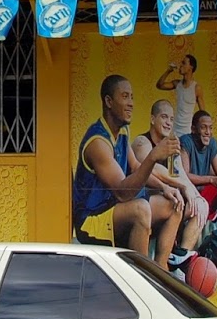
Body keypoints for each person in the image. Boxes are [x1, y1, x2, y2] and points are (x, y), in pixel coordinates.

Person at [72, 75, 182, 262]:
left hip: (114, 209)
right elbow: (123, 192)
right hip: (92, 221)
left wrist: (165, 188)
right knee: (141, 209)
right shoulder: (98, 142)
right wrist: (154, 156)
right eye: (125, 97)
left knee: (173, 204)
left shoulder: (122, 131)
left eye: (131, 97)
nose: (131, 103)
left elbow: (136, 166)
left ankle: (161, 267)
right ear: (108, 101)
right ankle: (142, 277)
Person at [132, 99, 207, 262]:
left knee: (201, 205)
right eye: (164, 117)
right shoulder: (142, 142)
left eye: (171, 119)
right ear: (153, 119)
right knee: (175, 204)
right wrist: (182, 186)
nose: (168, 123)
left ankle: (181, 256)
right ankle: (161, 263)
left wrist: (194, 195)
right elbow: (152, 168)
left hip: (166, 203)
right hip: (140, 204)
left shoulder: (172, 147)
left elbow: (178, 174)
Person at [183, 109, 217, 228]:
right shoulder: (186, 142)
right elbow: (185, 176)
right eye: (203, 127)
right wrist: (212, 180)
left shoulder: (212, 144)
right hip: (188, 195)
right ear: (193, 129)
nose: (208, 132)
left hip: (204, 195)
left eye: (210, 128)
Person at [156, 54, 204, 137]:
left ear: (190, 67)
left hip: (188, 131)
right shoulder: (177, 84)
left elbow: (203, 113)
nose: (180, 65)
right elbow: (160, 85)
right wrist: (168, 71)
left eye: (184, 63)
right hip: (175, 130)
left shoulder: (196, 88)